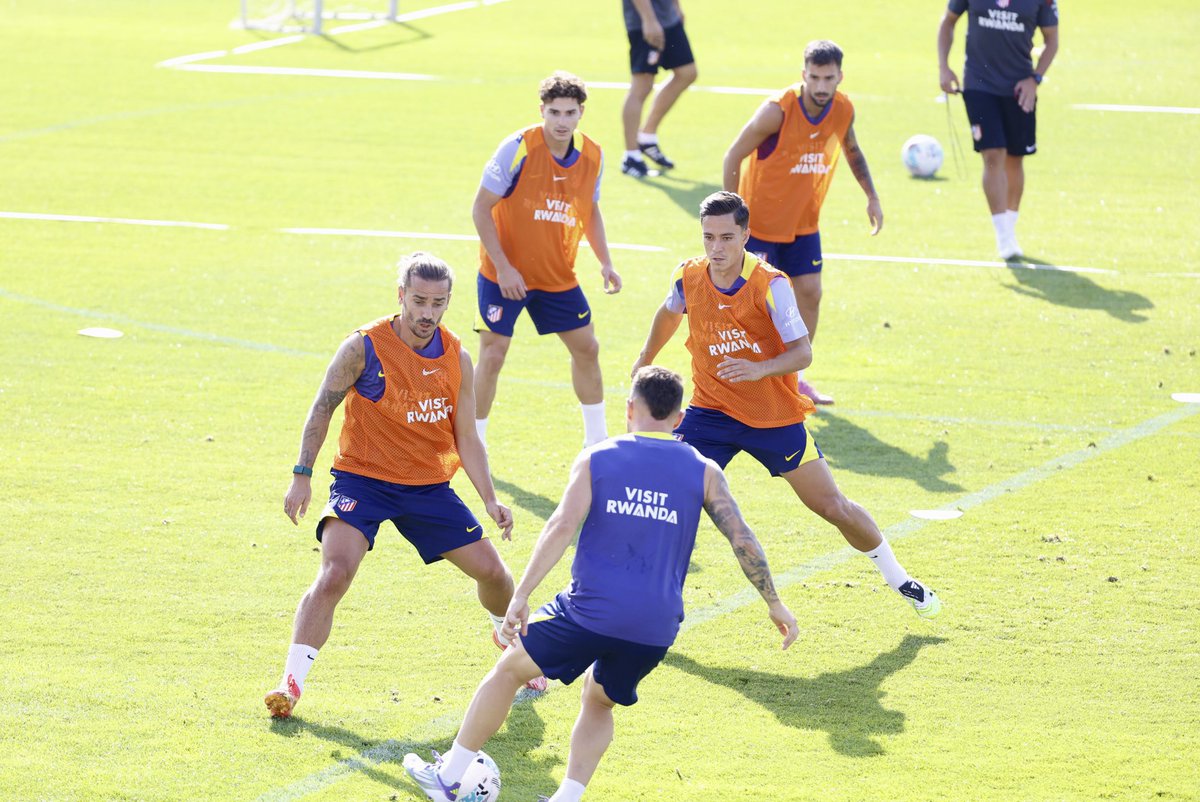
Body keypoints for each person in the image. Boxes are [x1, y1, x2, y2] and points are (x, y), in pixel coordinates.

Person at [402, 366, 798, 802]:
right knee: (599, 699)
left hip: (589, 611)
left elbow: (561, 527)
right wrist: (774, 603)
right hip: (656, 627)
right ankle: (566, 799)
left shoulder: (598, 457)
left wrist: (521, 594)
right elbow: (742, 537)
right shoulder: (704, 471)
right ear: (679, 418)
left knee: (510, 669)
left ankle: (449, 779)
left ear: (630, 409)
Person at [631, 192, 941, 621]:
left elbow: (802, 353)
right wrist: (646, 357)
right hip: (710, 412)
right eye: (708, 238)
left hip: (772, 418)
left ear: (745, 235)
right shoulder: (687, 276)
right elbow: (670, 312)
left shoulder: (770, 285)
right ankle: (652, 603)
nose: (716, 249)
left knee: (831, 506)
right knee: (668, 493)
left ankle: (899, 576)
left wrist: (758, 369)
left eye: (726, 237)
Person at [265, 252, 533, 720]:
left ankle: (505, 637)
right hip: (363, 479)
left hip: (427, 486)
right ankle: (290, 683)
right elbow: (322, 407)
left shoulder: (456, 356)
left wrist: (490, 498)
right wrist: (301, 475)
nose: (427, 313)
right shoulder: (363, 347)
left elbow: (465, 435)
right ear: (401, 296)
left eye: (439, 303)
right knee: (334, 573)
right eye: (419, 301)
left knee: (494, 573)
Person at [722, 40, 881, 406]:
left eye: (829, 78)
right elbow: (734, 153)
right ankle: (738, 383)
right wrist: (731, 212)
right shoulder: (777, 111)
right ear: (803, 75)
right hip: (759, 225)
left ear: (840, 76)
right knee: (749, 305)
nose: (822, 87)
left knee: (810, 293)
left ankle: (793, 379)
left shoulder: (842, 109)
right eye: (815, 78)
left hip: (803, 223)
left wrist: (871, 196)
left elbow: (852, 149)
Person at [472, 71, 622, 450]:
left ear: (581, 113)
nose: (561, 121)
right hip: (502, 274)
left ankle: (596, 440)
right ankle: (475, 441)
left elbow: (590, 210)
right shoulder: (517, 147)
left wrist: (605, 261)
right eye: (553, 112)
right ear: (542, 110)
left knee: (587, 348)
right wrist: (504, 268)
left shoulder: (593, 155)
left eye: (569, 113)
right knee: (492, 354)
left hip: (556, 275)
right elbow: (480, 209)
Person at [937, 0, 1059, 259]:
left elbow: (1052, 40)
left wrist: (1034, 79)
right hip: (978, 85)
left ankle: (1009, 228)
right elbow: (948, 21)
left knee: (1015, 159)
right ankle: (1003, 236)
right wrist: (944, 67)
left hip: (1019, 88)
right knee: (993, 155)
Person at [619, 0, 697, 178]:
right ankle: (631, 156)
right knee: (642, 85)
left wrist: (676, 6)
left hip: (668, 17)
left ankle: (646, 137)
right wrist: (649, 19)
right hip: (644, 22)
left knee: (687, 73)